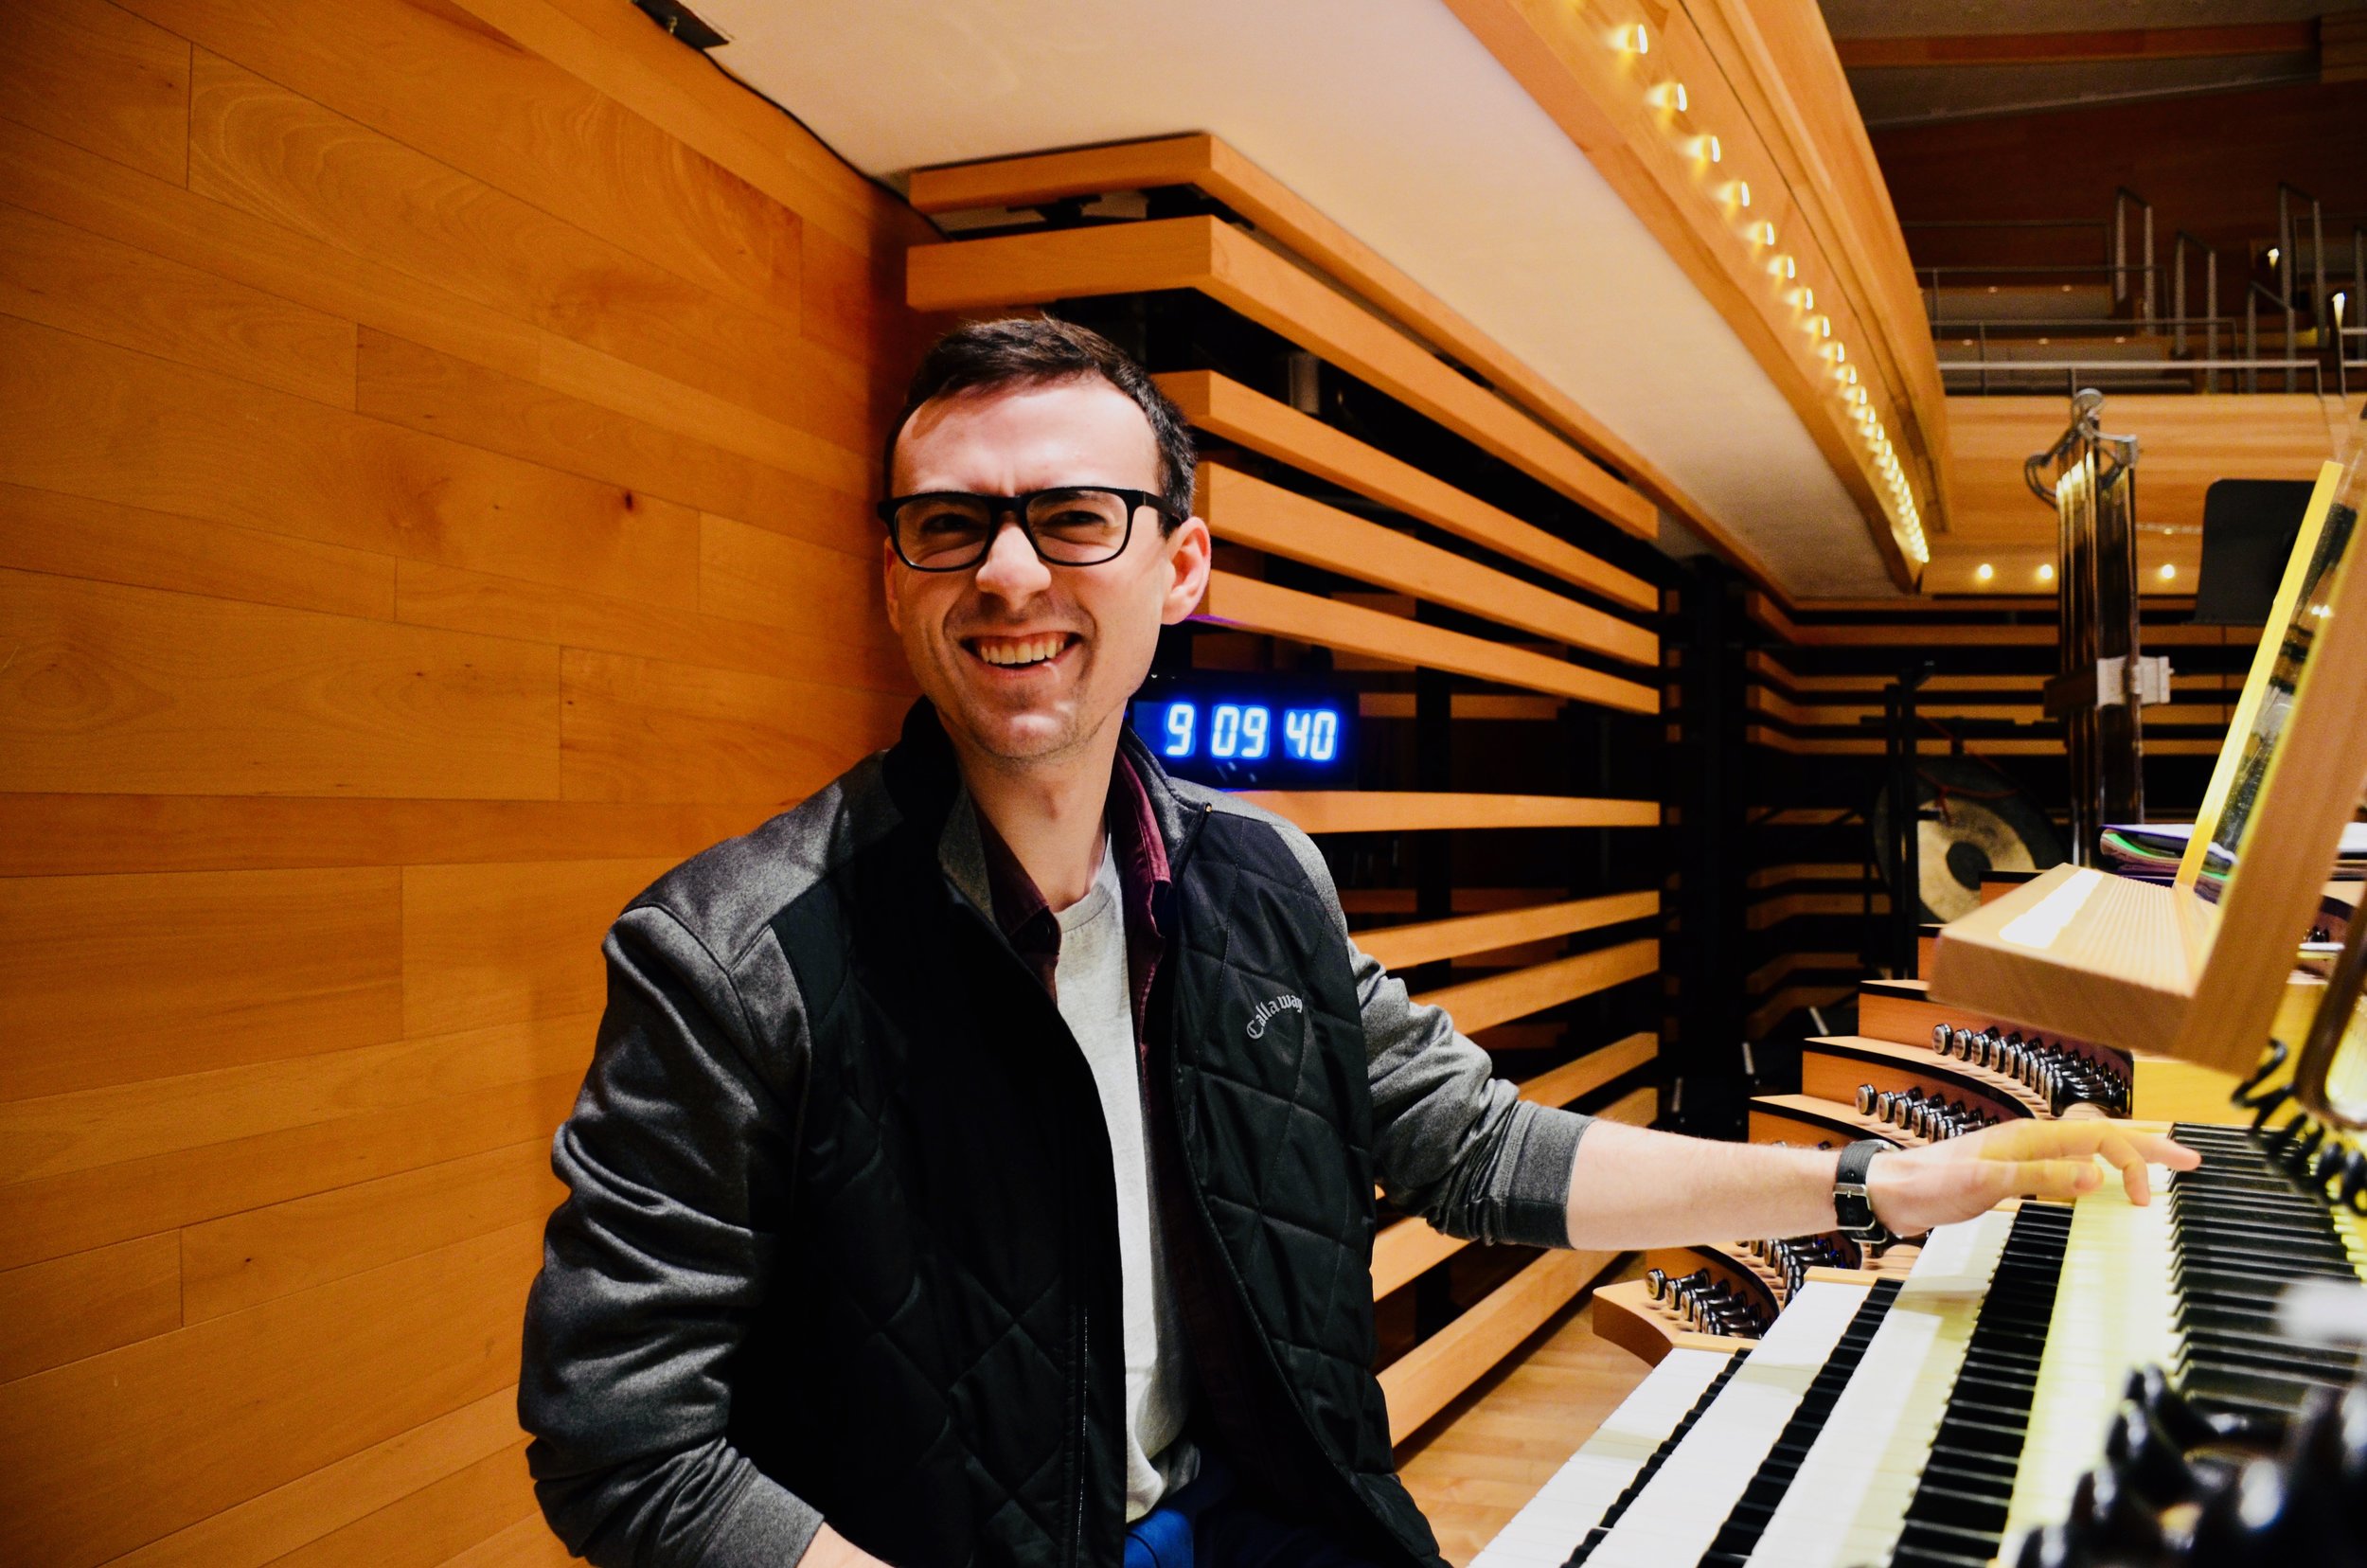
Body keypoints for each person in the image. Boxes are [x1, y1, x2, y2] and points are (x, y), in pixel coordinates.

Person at [518, 317, 2196, 1568]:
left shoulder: (1266, 883)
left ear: (1179, 567)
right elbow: (624, 1444)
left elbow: (1476, 1152)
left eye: (1074, 519)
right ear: (894, 580)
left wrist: (1874, 1191)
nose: (1009, 572)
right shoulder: (723, 957)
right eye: (950, 524)